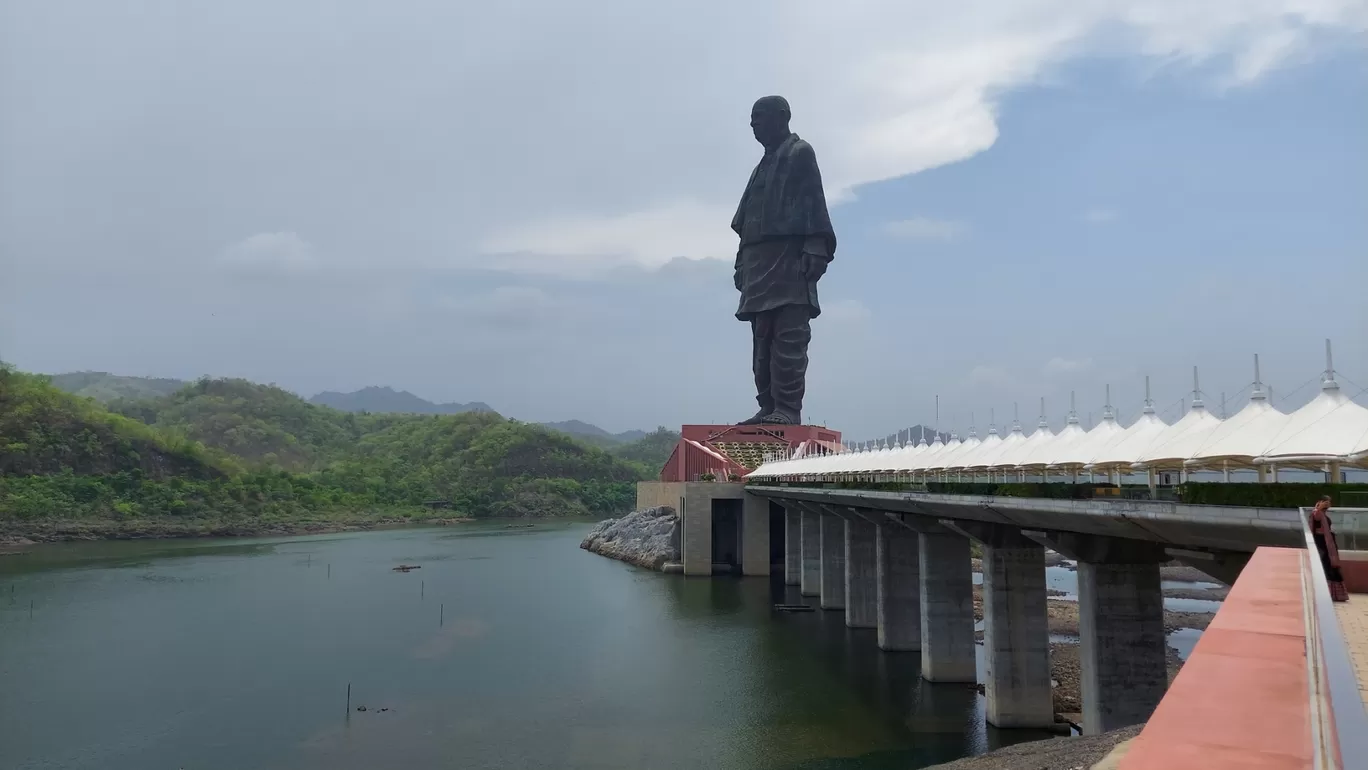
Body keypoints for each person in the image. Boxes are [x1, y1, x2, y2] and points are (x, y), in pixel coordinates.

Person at [730, 95, 837, 426]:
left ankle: (788, 408)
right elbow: (745, 221)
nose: (753, 123)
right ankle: (768, 404)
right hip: (757, 260)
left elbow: (814, 201)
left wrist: (815, 246)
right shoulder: (761, 165)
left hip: (788, 257)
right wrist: (741, 262)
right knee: (761, 337)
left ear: (782, 117)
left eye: (759, 116)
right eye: (751, 118)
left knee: (789, 334)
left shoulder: (799, 152)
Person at [1309, 495, 1348, 602]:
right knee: (1325, 564)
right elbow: (1316, 517)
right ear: (1319, 502)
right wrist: (1319, 508)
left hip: (1328, 543)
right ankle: (1326, 592)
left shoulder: (1323, 514)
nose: (1327, 504)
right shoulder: (1316, 513)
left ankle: (1335, 594)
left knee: (1331, 565)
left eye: (1328, 502)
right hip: (1321, 543)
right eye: (1325, 501)